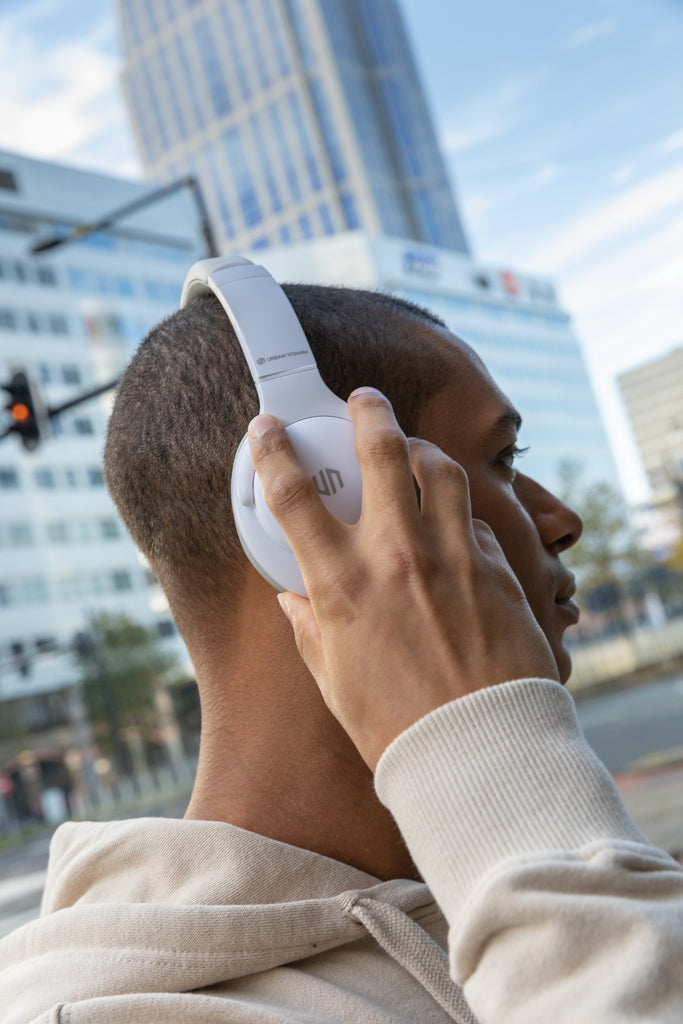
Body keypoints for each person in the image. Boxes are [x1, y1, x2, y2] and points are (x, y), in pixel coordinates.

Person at [1, 281, 682, 1024]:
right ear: (325, 498)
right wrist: (492, 758)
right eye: (503, 458)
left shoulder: (506, 880)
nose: (562, 518)